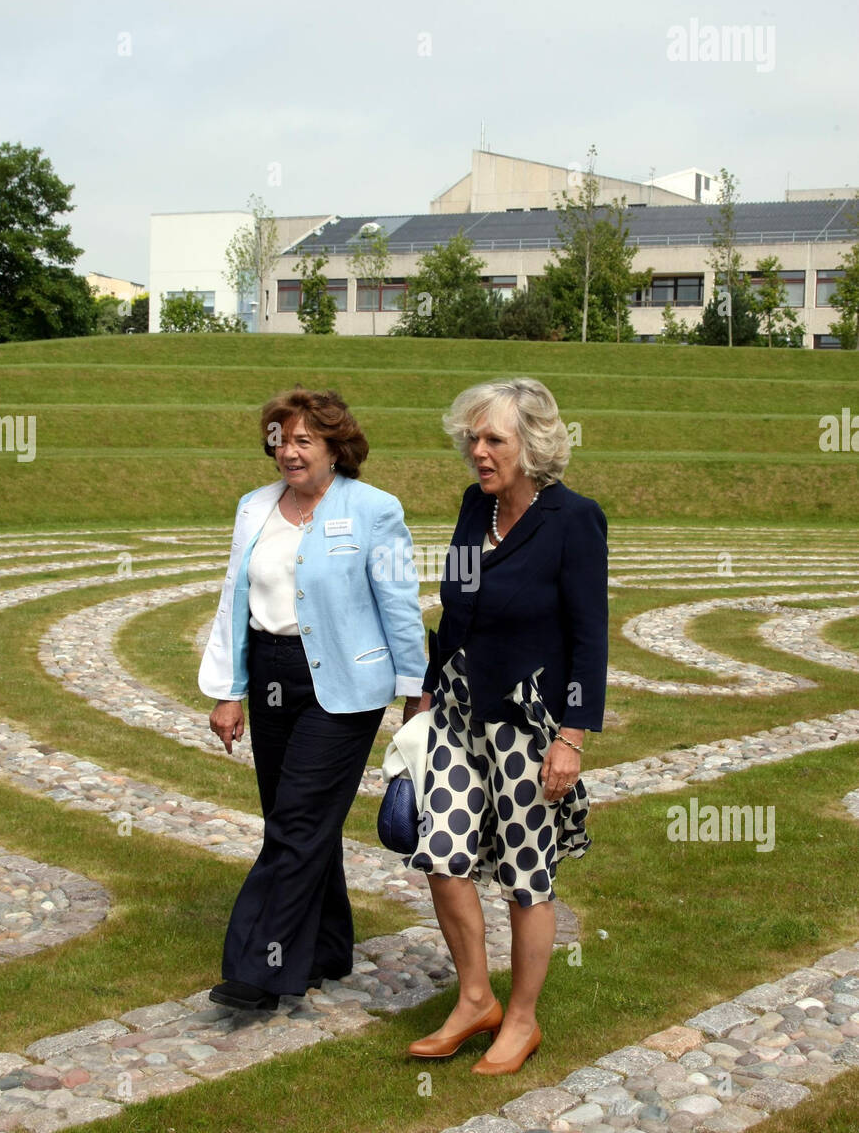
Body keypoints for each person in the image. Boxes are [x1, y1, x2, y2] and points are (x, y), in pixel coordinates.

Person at [198, 388, 427, 1009]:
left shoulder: (374, 510)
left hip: (344, 688)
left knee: (297, 823)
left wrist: (416, 691)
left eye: (303, 440)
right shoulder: (254, 507)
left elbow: (399, 604)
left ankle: (258, 968)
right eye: (280, 440)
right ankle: (326, 947)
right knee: (297, 820)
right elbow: (235, 604)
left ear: (335, 447)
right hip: (272, 673)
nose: (289, 452)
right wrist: (229, 691)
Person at [405, 377, 608, 1073]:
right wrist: (426, 694)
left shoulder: (574, 521)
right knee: (440, 852)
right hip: (460, 711)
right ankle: (473, 999)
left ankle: (521, 1020)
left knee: (527, 873)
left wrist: (572, 736)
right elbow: (455, 609)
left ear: (533, 444)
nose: (477, 450)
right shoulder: (474, 508)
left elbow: (590, 636)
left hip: (530, 720)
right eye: (472, 437)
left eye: (493, 438)